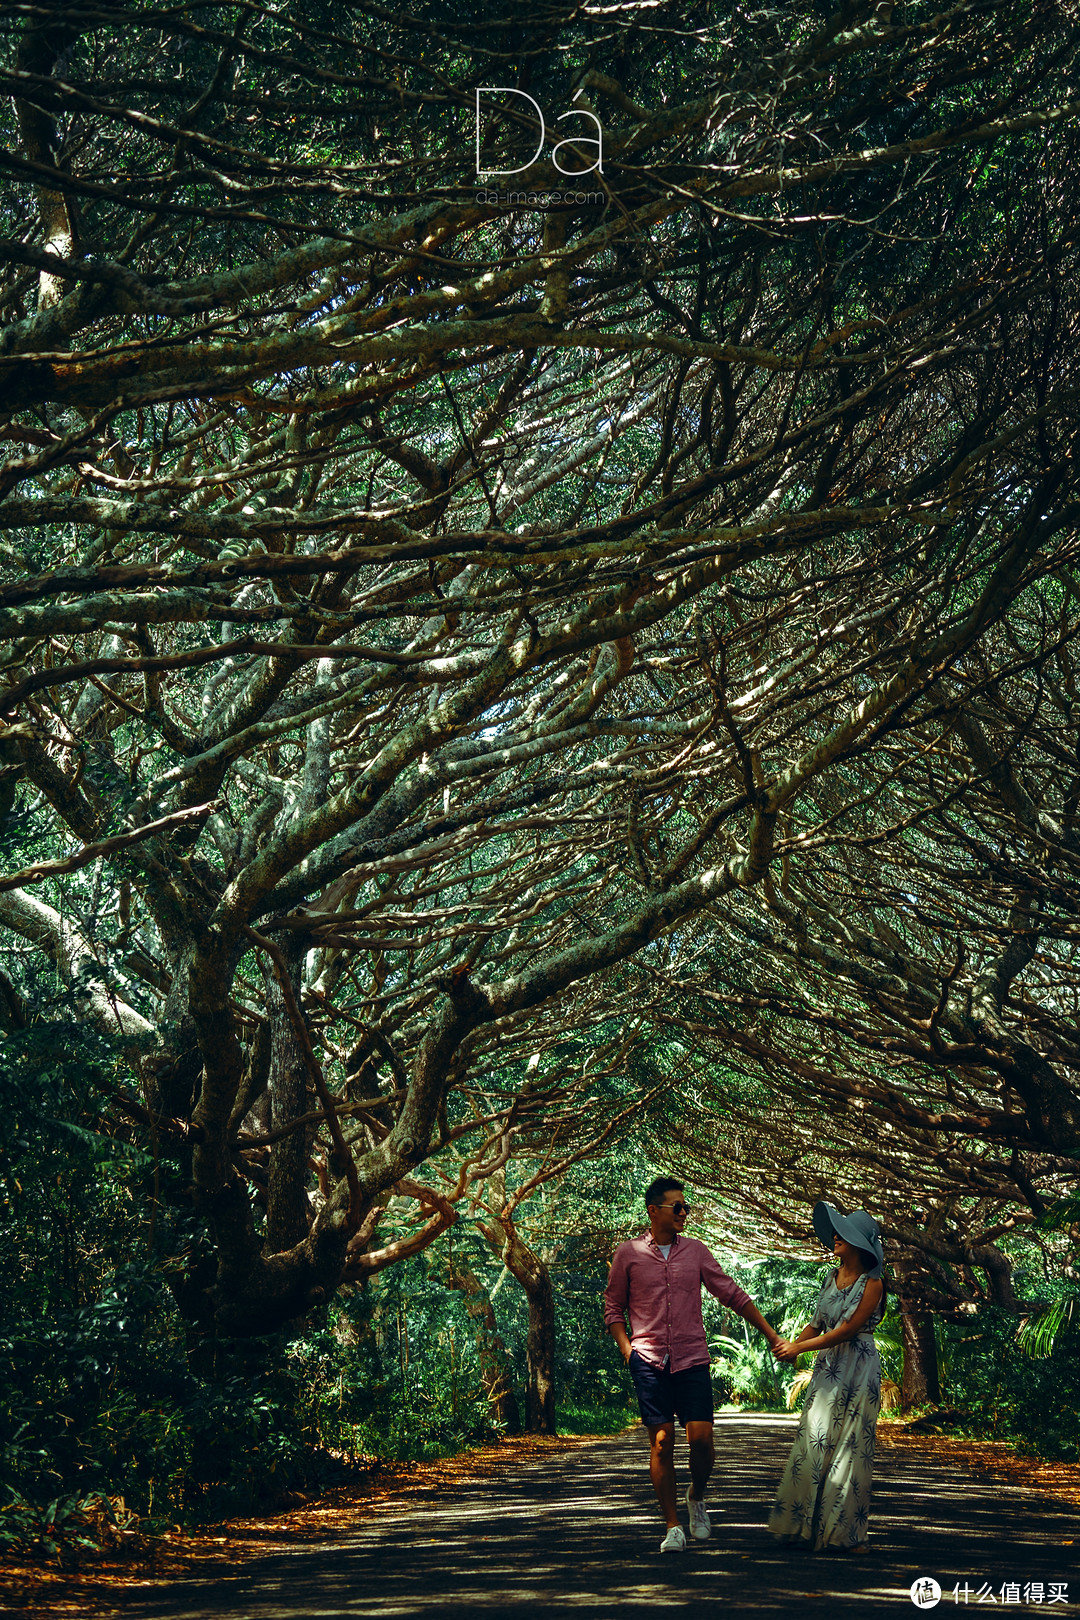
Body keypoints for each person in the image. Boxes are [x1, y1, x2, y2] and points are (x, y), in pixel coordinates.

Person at [604, 1176, 782, 1554]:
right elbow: (612, 1306)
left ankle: (696, 1496)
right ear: (654, 1211)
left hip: (692, 1358)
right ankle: (672, 1526)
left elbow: (732, 1293)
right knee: (662, 1442)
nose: (685, 1212)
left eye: (687, 1206)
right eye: (678, 1207)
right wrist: (626, 1348)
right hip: (648, 1360)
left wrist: (770, 1334)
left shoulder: (696, 1251)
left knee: (702, 1441)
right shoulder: (628, 1254)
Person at [768, 1200, 886, 1554]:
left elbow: (847, 1331)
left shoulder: (874, 1283)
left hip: (859, 1366)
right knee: (815, 1440)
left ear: (860, 1244)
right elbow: (818, 1323)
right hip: (828, 1368)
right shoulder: (830, 1276)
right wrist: (793, 1344)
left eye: (844, 1233)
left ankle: (844, 1534)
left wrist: (800, 1350)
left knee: (851, 1447)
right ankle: (803, 1525)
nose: (835, 1237)